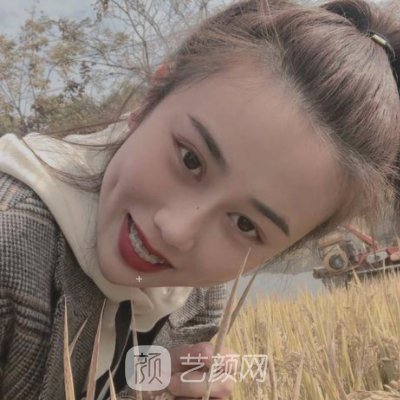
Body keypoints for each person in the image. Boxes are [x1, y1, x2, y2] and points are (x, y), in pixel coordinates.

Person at [0, 0, 400, 399]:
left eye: (245, 225)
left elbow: (123, 378)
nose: (176, 231)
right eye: (190, 159)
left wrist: (159, 386)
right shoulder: (11, 244)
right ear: (153, 96)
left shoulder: (199, 298)